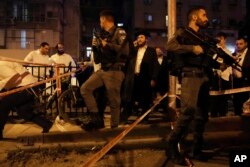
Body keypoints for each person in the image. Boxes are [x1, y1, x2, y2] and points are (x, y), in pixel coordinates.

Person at [166, 6, 219, 164]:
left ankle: (197, 149)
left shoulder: (203, 37)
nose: (206, 18)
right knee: (187, 111)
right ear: (194, 18)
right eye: (204, 15)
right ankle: (171, 146)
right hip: (190, 76)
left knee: (201, 115)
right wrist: (191, 48)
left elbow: (207, 59)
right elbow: (170, 46)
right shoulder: (183, 33)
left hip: (204, 77)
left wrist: (220, 64)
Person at [80, 10, 129, 130]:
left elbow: (125, 51)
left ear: (104, 20)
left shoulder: (120, 32)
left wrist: (106, 44)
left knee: (113, 101)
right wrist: (95, 47)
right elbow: (96, 60)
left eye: (100, 21)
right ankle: (96, 119)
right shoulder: (103, 35)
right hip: (103, 69)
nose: (100, 23)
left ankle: (114, 127)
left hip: (115, 70)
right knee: (85, 89)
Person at [0, 61, 53, 140]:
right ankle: (46, 124)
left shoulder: (1, 65)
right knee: (23, 112)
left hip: (26, 87)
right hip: (31, 87)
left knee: (3, 104)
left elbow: (15, 77)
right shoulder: (4, 63)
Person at [121, 31, 158, 123]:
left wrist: (153, 78)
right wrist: (132, 47)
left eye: (141, 37)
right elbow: (126, 59)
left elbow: (155, 65)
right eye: (138, 38)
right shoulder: (134, 50)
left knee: (145, 99)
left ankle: (144, 118)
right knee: (130, 98)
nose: (139, 39)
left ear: (146, 39)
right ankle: (124, 117)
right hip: (133, 77)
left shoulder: (151, 51)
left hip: (145, 78)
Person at [209, 32, 232, 117]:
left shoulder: (228, 52)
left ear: (225, 40)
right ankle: (213, 115)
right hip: (216, 77)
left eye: (221, 38)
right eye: (218, 38)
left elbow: (230, 66)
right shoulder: (215, 50)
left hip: (225, 78)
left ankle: (223, 116)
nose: (219, 40)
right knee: (215, 99)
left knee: (224, 99)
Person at [232, 37, 250, 115]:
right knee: (237, 104)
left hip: (247, 82)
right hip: (236, 82)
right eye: (237, 44)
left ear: (246, 44)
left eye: (241, 44)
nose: (238, 46)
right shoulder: (233, 55)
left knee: (246, 105)